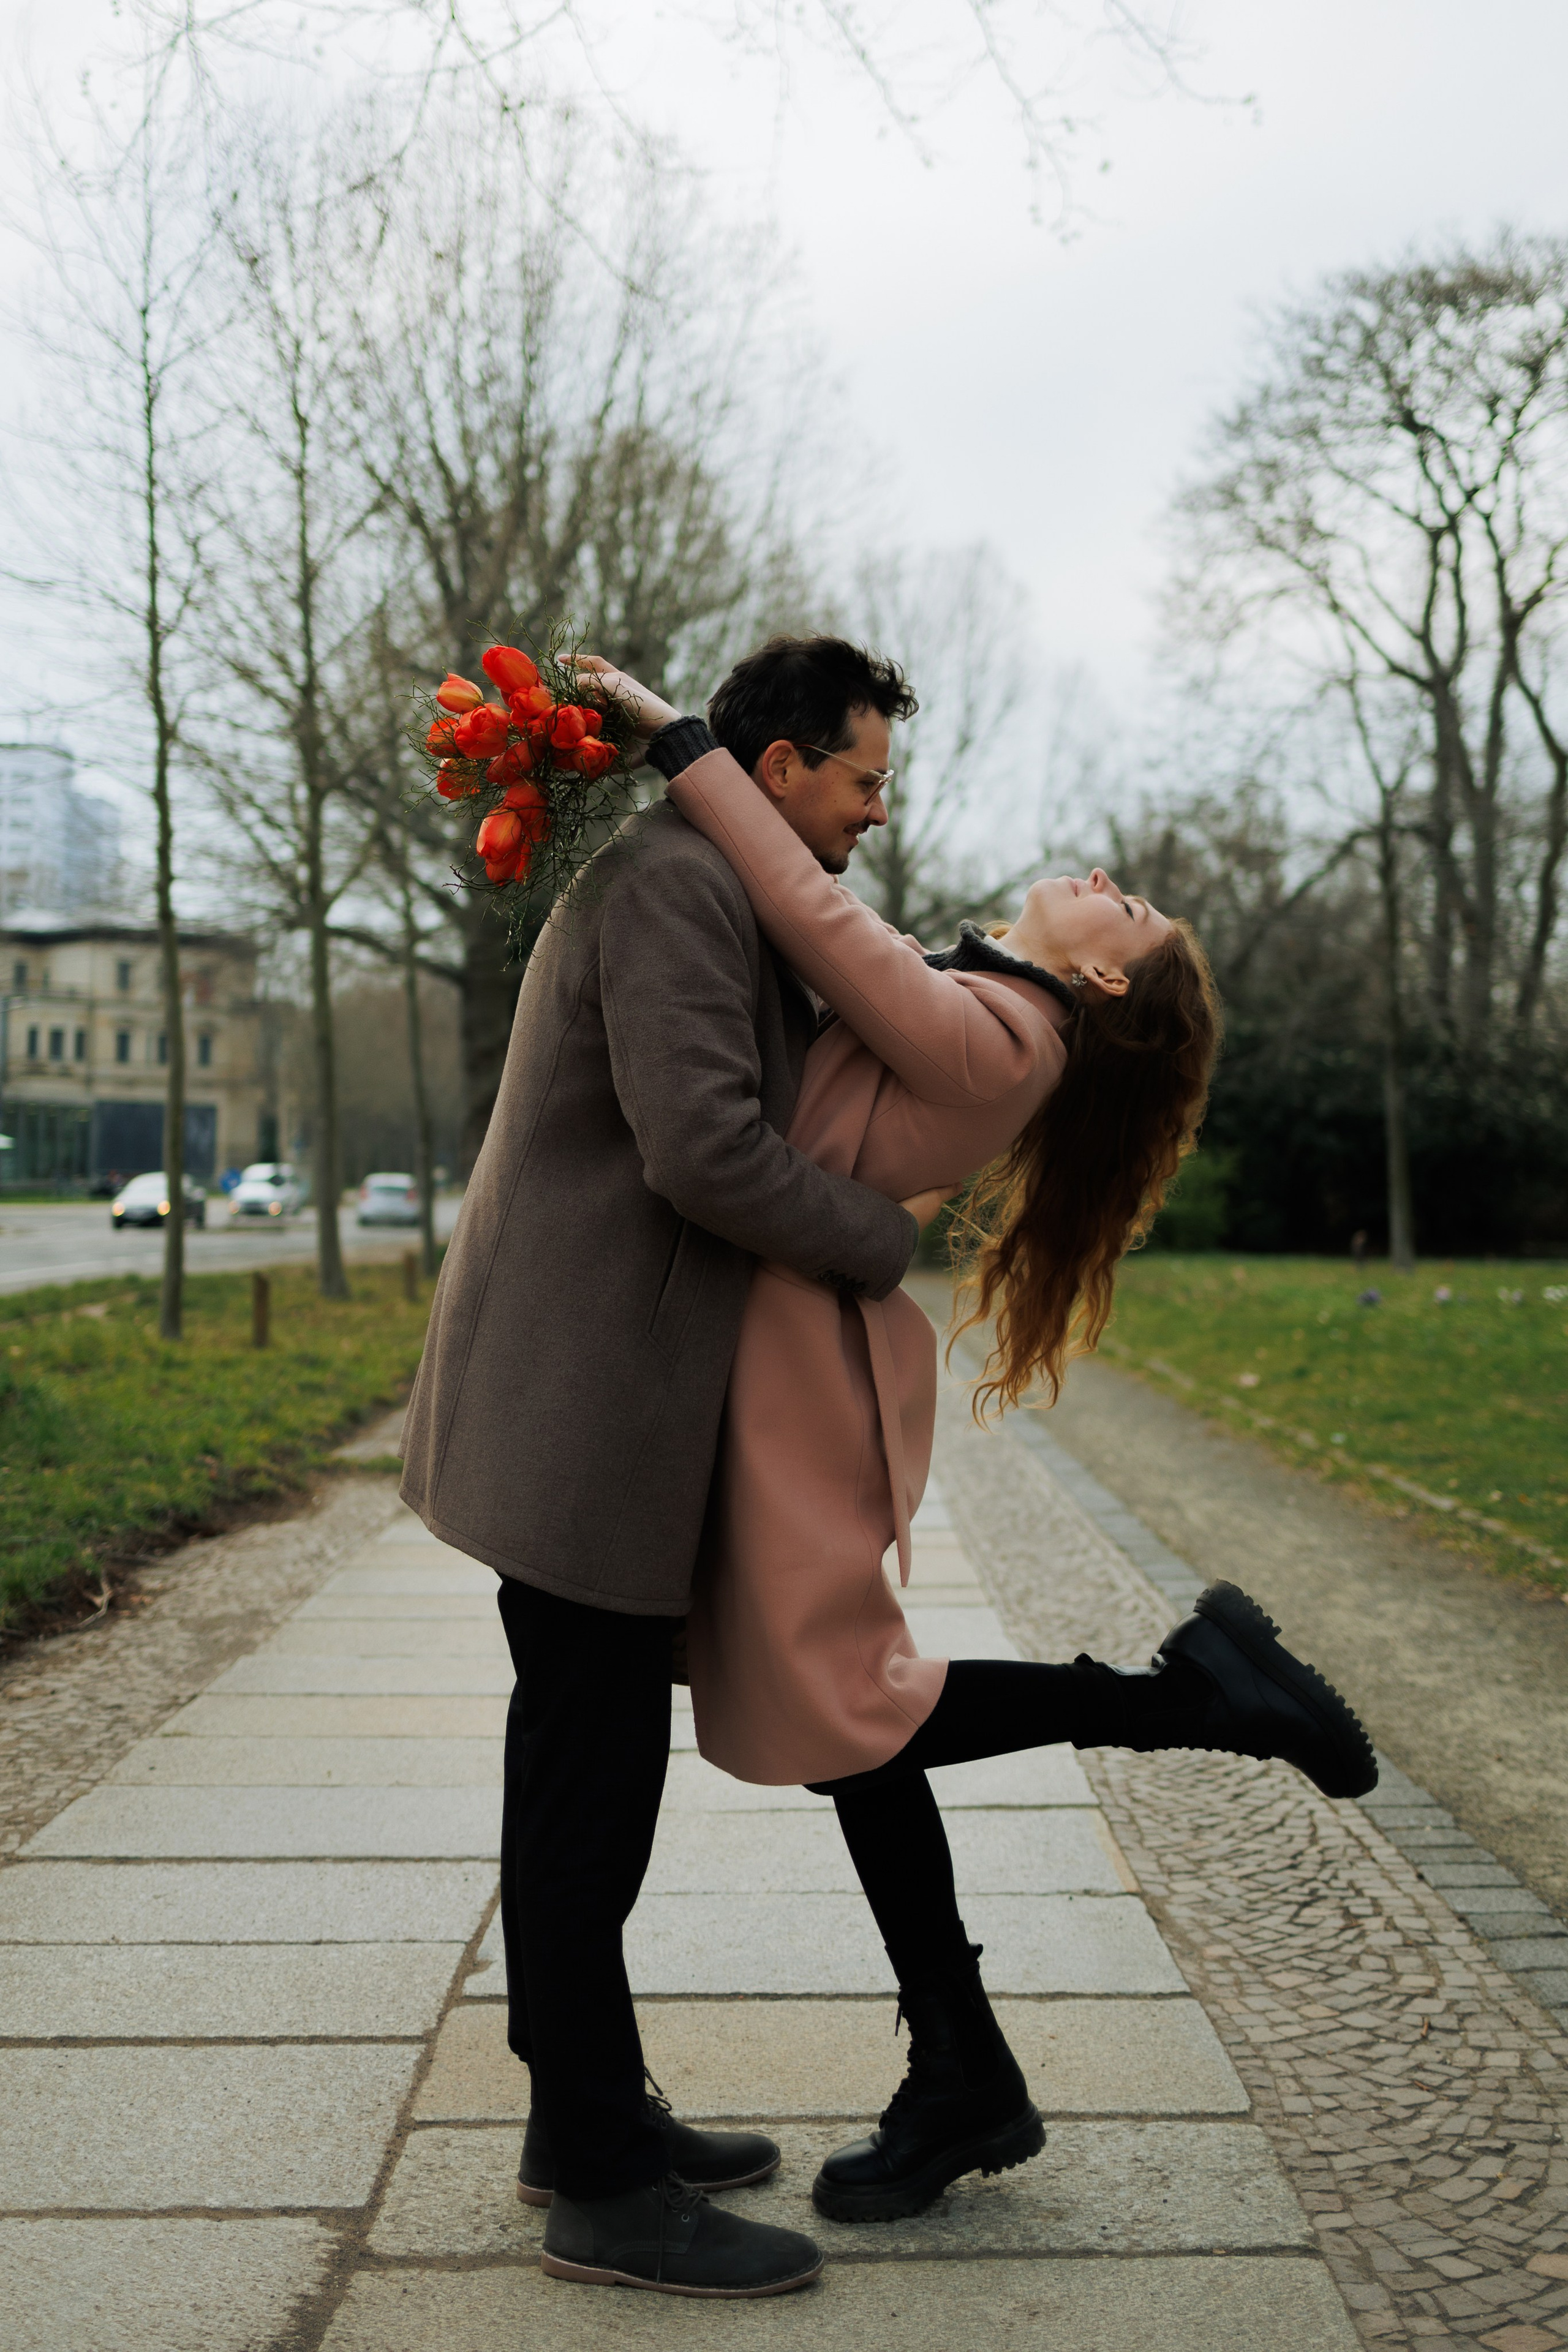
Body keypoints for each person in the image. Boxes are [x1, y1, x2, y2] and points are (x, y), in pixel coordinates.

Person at [582, 649, 1378, 2230]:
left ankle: (1193, 1705)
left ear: (1099, 985)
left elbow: (822, 926)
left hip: (801, 1379)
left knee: (857, 1712)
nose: (1107, 880)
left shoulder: (1010, 1033)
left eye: (1130, 911)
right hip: (789, 1358)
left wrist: (684, 748)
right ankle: (964, 2067)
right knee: (849, 1733)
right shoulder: (998, 1006)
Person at [398, 636, 950, 2299]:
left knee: (583, 1780)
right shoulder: (677, 893)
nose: (872, 814)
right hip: (581, 1411)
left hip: (596, 1401)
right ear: (776, 769)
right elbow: (702, 1145)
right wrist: (877, 1240)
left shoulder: (713, 886)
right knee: (584, 1798)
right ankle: (605, 2185)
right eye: (860, 779)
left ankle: (583, 2127)